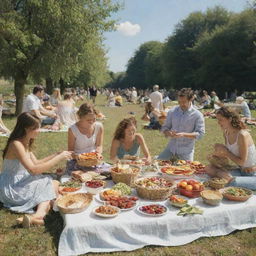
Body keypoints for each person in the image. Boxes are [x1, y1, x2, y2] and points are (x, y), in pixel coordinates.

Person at [0, 112, 72, 227]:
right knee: (50, 184)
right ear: (26, 128)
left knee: (53, 182)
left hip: (20, 181)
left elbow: (37, 163)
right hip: (12, 187)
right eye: (36, 128)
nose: (39, 130)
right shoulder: (16, 144)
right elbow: (34, 170)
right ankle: (40, 215)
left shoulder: (25, 141)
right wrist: (59, 158)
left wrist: (56, 154)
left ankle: (36, 217)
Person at [205, 107, 256, 190]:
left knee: (231, 181)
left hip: (252, 174)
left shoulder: (242, 135)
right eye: (217, 119)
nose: (218, 123)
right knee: (209, 169)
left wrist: (226, 152)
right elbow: (227, 158)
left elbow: (242, 162)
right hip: (240, 171)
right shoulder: (226, 133)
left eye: (221, 120)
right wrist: (216, 155)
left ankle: (230, 180)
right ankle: (227, 178)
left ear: (229, 119)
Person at [158, 88, 205, 161]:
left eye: (184, 102)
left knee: (187, 171)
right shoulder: (172, 111)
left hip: (186, 152)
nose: (181, 104)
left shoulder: (197, 115)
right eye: (179, 102)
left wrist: (184, 134)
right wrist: (168, 133)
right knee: (156, 165)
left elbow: (200, 134)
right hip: (171, 149)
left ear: (191, 99)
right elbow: (165, 128)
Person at [67, 103, 104, 173]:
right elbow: (70, 152)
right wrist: (81, 158)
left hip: (94, 160)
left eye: (94, 119)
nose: (92, 122)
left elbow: (99, 145)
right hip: (78, 161)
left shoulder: (99, 127)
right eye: (88, 120)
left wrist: (98, 154)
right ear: (80, 117)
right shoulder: (73, 129)